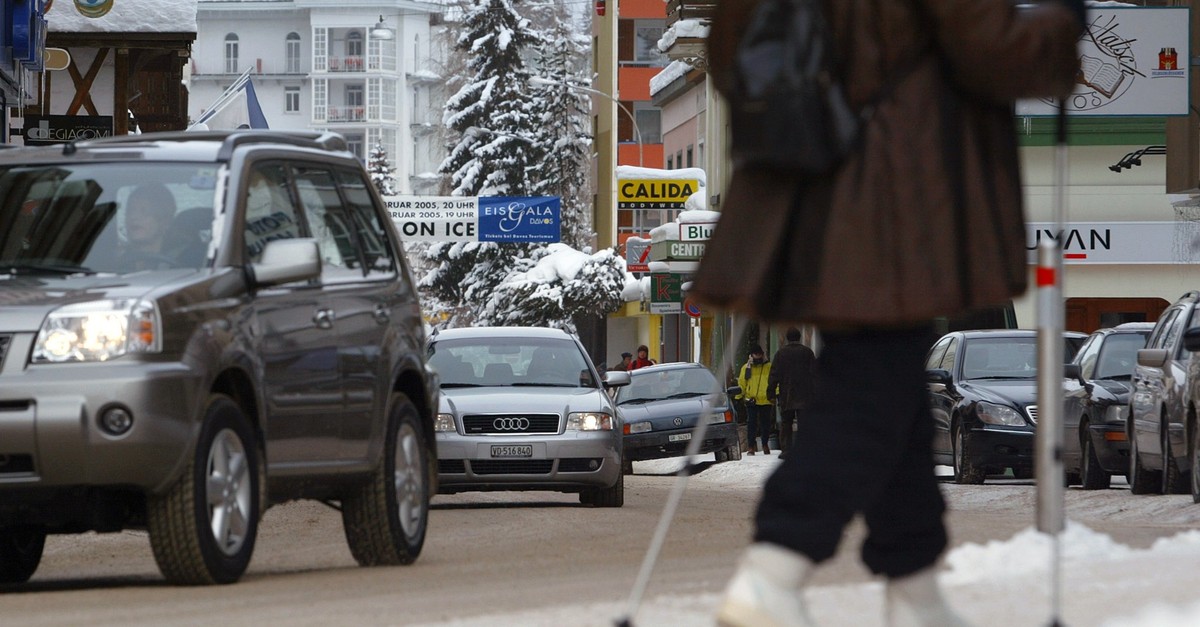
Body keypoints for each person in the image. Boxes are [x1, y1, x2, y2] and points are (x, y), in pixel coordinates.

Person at [692, 1, 1085, 625]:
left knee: (892, 383)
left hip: (817, 173)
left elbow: (730, 51)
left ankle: (914, 585)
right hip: (894, 185)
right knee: (869, 386)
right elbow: (991, 47)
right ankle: (777, 564)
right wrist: (1061, 24)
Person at [767, 327, 815, 459]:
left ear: (787, 338)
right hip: (805, 395)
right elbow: (815, 374)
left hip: (786, 394)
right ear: (799, 337)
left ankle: (786, 450)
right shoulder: (808, 353)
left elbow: (774, 375)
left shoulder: (781, 354)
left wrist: (770, 393)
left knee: (786, 423)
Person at [118, 182, 177, 271]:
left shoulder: (183, 261)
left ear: (165, 221)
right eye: (129, 211)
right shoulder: (114, 262)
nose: (133, 217)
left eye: (145, 211)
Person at [736, 344, 773, 455]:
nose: (758, 356)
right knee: (751, 424)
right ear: (751, 355)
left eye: (760, 354)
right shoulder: (746, 368)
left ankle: (765, 444)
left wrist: (775, 394)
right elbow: (742, 383)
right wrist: (738, 397)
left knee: (765, 424)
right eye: (756, 354)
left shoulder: (768, 366)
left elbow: (773, 382)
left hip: (766, 400)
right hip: (751, 400)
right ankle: (751, 446)